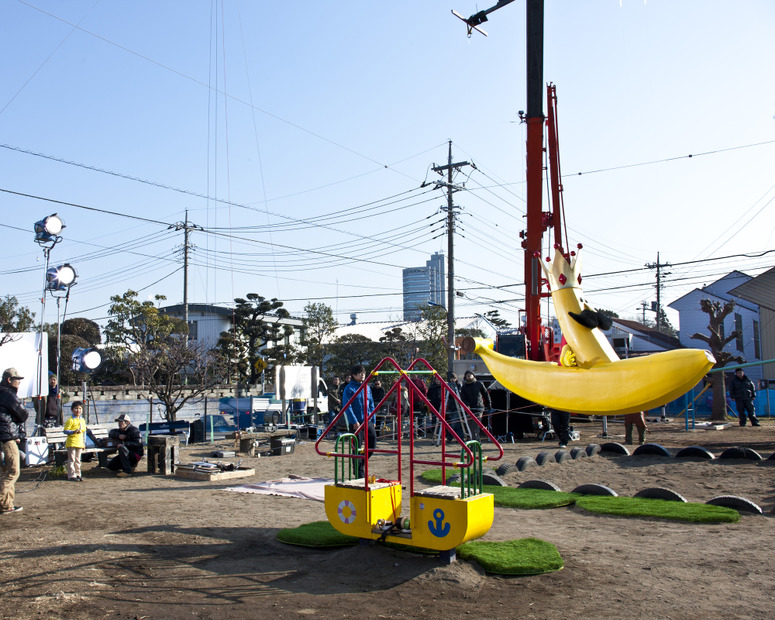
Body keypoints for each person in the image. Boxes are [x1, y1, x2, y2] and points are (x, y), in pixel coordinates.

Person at [0, 367, 28, 514]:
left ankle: (7, 505)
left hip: (2, 438)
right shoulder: (8, 395)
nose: (19, 383)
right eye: (17, 380)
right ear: (9, 380)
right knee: (13, 472)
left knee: (4, 471)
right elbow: (23, 414)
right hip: (7, 438)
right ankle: (2, 500)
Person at [341, 365, 376, 478]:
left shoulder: (367, 387)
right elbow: (347, 406)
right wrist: (354, 421)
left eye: (363, 373)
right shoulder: (349, 389)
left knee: (372, 445)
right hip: (356, 423)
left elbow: (371, 404)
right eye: (360, 373)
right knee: (356, 448)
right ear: (354, 375)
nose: (362, 375)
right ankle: (359, 473)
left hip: (368, 421)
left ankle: (361, 464)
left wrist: (373, 419)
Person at [460, 371, 492, 440]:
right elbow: (463, 398)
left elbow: (486, 394)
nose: (468, 376)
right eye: (467, 375)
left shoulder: (479, 384)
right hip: (469, 409)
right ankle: (475, 444)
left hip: (479, 408)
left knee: (475, 427)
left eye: (470, 375)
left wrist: (488, 405)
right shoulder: (464, 387)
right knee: (470, 428)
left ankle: (476, 445)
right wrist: (467, 405)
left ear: (473, 376)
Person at [63, 400, 86, 481]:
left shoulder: (82, 420)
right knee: (71, 459)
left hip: (79, 442)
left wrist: (84, 442)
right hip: (72, 442)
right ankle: (71, 475)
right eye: (76, 408)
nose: (78, 410)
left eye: (80, 408)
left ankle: (78, 474)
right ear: (72, 410)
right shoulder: (70, 420)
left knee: (78, 459)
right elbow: (65, 431)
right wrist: (73, 432)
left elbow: (84, 432)